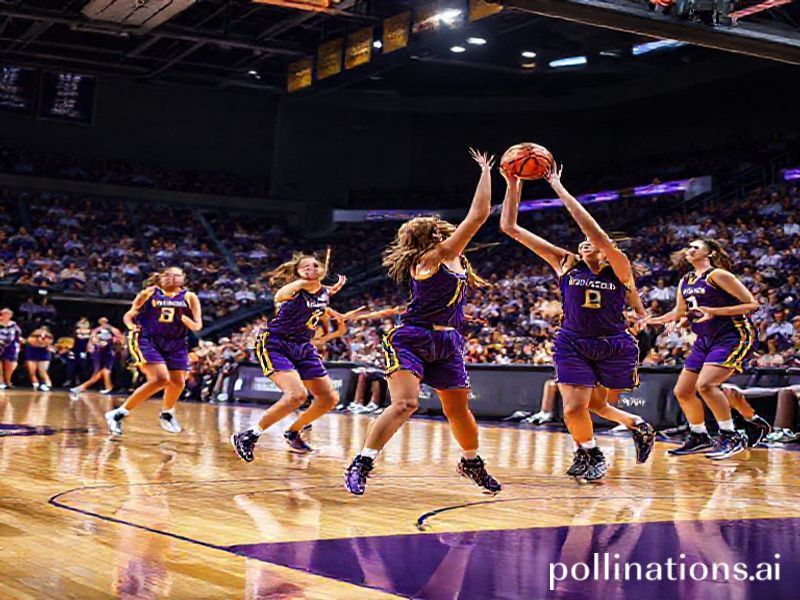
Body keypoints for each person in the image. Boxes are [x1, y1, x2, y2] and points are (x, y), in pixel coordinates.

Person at [344, 148, 502, 496]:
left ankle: (471, 462)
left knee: (459, 411)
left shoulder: (454, 262)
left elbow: (443, 297)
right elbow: (477, 216)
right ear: (433, 236)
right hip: (411, 338)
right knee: (405, 403)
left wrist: (460, 316)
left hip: (447, 342)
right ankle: (362, 462)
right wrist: (486, 171)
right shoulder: (436, 256)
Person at [500, 163, 655, 482]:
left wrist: (557, 186)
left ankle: (637, 425)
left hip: (613, 344)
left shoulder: (619, 267)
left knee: (597, 404)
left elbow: (595, 232)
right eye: (581, 241)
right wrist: (513, 184)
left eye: (591, 241)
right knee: (573, 407)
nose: (585, 242)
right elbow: (510, 227)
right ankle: (590, 453)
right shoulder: (566, 263)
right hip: (572, 343)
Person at [231, 253, 360, 460]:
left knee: (329, 398)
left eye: (314, 266)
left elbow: (321, 304)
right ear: (297, 273)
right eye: (305, 267)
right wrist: (303, 281)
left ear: (323, 270)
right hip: (276, 344)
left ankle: (293, 431)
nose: (310, 269)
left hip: (303, 346)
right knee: (297, 395)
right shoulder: (294, 289)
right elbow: (279, 296)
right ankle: (248, 435)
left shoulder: (323, 293)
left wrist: (337, 314)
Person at [647, 239, 759, 459]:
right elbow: (679, 313)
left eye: (695, 247)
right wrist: (649, 321)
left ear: (710, 252)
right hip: (705, 339)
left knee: (706, 385)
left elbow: (752, 304)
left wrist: (714, 311)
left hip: (733, 335)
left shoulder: (718, 275)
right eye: (688, 247)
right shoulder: (686, 280)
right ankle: (699, 436)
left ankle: (731, 435)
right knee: (683, 391)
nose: (690, 250)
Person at [104, 267, 203, 436]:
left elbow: (198, 325)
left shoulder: (190, 297)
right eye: (169, 275)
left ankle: (167, 413)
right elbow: (129, 315)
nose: (173, 278)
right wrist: (131, 327)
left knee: (178, 382)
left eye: (177, 275)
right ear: (161, 278)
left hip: (176, 342)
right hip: (148, 340)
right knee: (160, 378)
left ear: (183, 278)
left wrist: (188, 322)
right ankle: (118, 413)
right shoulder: (148, 293)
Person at [70, 317, 124, 396]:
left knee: (105, 371)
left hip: (109, 353)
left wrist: (112, 342)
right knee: (99, 371)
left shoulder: (113, 330)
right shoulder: (96, 330)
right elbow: (91, 341)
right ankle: (106, 387)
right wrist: (92, 347)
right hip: (98, 353)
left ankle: (83, 387)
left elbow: (121, 340)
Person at [24, 326, 54, 391]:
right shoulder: (33, 336)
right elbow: (30, 341)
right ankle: (36, 384)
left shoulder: (49, 336)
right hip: (32, 352)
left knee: (42, 371)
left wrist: (43, 342)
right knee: (32, 371)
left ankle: (47, 385)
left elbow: (48, 343)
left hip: (43, 354)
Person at [0, 308, 22, 389]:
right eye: (4, 313)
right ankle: (0, 382)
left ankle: (8, 381)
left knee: (9, 366)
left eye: (7, 314)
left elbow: (18, 336)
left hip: (11, 347)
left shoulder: (14, 325)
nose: (5, 315)